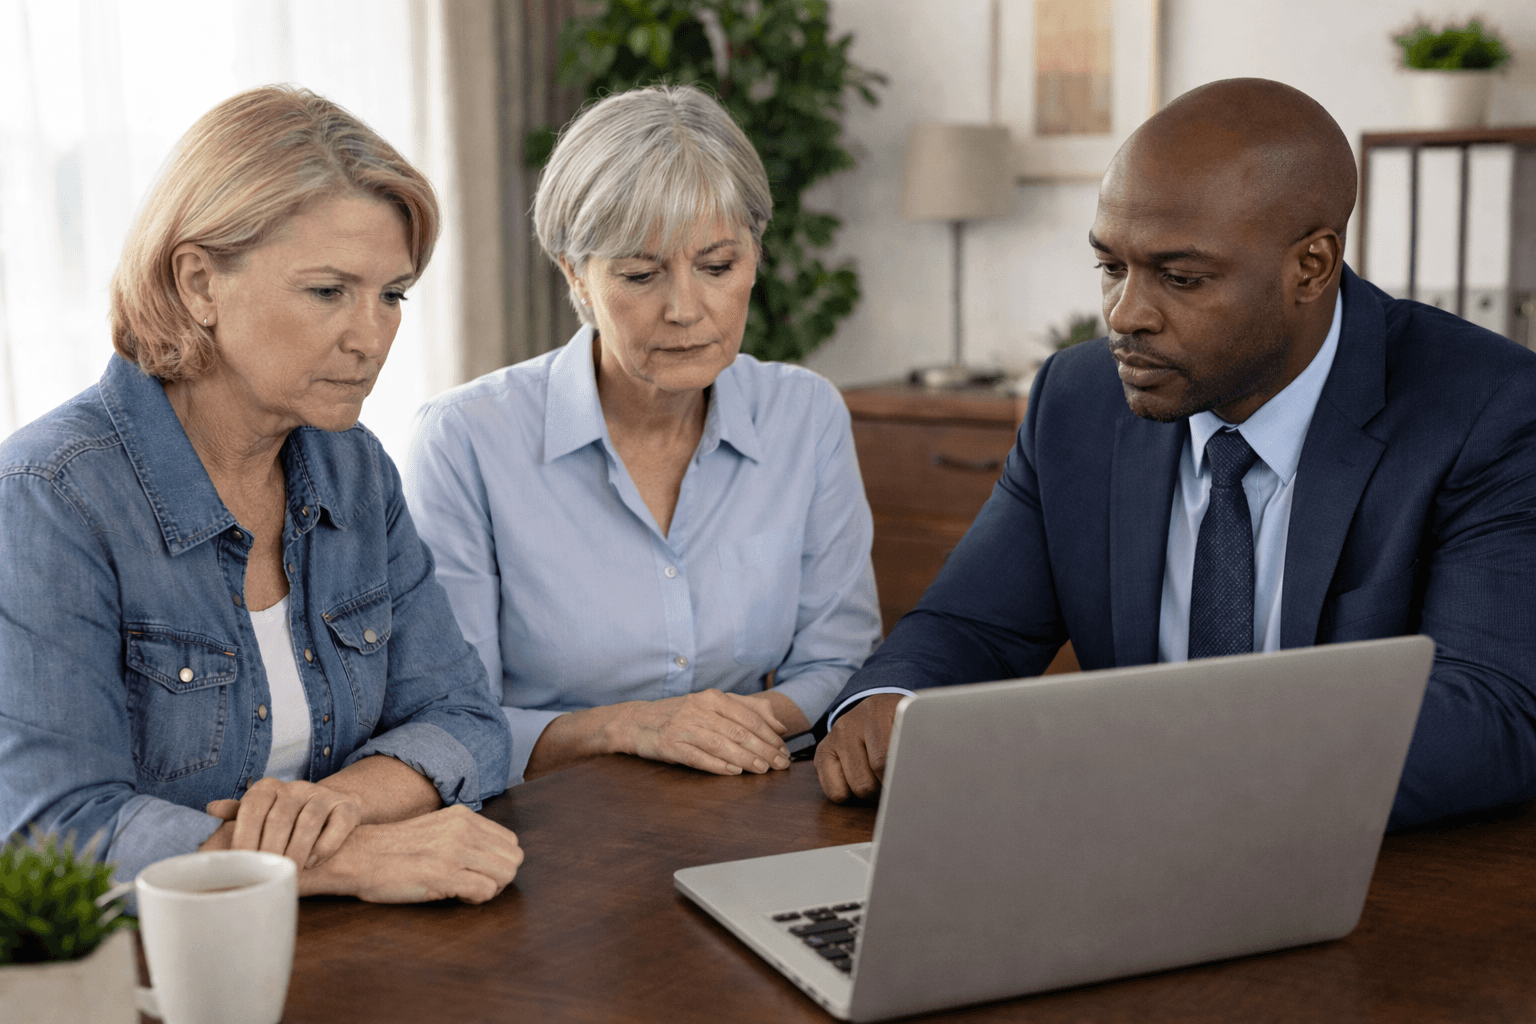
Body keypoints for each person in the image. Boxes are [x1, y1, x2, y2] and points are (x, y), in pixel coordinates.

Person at [816, 78, 1536, 831]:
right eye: (1110, 267)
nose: (1126, 314)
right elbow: (972, 627)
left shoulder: (1487, 410)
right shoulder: (1078, 400)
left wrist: (1153, 766)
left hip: (1362, 884)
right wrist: (888, 702)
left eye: (1181, 277)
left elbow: (1490, 713)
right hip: (1119, 868)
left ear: (1312, 268)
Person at [0, 86, 524, 903]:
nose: (371, 337)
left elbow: (467, 722)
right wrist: (339, 861)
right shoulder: (48, 497)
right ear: (199, 282)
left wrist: (330, 808)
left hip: (339, 955)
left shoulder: (355, 469)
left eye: (392, 294)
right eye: (328, 292)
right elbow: (57, 828)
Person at [406, 85, 880, 786]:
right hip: (548, 825)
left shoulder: (804, 414)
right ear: (576, 275)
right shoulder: (466, 440)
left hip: (748, 793)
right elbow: (452, 718)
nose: (686, 309)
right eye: (639, 274)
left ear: (755, 257)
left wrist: (722, 733)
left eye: (718, 267)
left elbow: (836, 662)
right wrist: (634, 729)